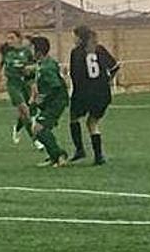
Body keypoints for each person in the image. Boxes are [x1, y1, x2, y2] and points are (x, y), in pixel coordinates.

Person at [68, 26, 120, 165]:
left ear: (80, 37)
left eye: (74, 36)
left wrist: (75, 94)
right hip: (102, 92)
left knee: (74, 118)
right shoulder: (99, 49)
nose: (73, 39)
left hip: (84, 92)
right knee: (93, 122)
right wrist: (108, 81)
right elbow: (115, 67)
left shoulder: (76, 52)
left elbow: (75, 75)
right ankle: (99, 156)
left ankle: (79, 150)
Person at [0, 31, 43, 152]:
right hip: (13, 84)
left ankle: (17, 129)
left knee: (26, 113)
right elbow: (2, 62)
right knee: (24, 110)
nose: (9, 40)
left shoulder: (26, 52)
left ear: (18, 39)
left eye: (12, 38)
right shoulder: (7, 51)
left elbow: (35, 65)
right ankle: (36, 140)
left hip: (25, 83)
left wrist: (30, 69)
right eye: (8, 38)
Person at [29, 36, 69, 168]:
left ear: (39, 52)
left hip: (56, 102)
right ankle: (54, 157)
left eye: (32, 48)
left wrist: (43, 97)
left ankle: (59, 155)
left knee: (38, 129)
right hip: (52, 102)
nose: (29, 51)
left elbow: (56, 86)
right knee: (38, 130)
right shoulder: (43, 64)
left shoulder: (47, 67)